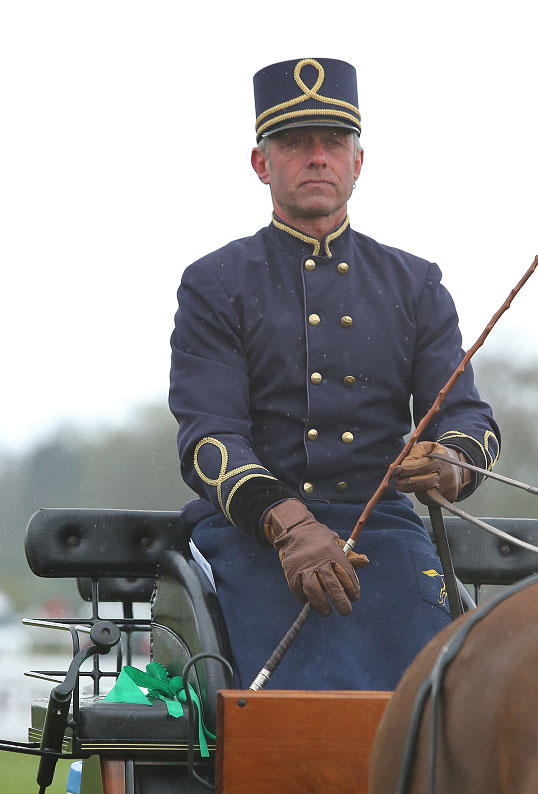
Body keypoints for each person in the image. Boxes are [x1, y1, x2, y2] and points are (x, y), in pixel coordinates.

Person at [169, 57, 500, 690]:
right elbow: (207, 438)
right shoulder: (214, 284)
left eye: (333, 143)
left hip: (388, 533)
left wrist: (451, 461)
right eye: (294, 144)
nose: (316, 157)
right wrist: (290, 526)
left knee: (445, 703)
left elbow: (468, 417)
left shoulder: (416, 283)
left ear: (358, 162)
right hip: (254, 537)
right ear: (261, 165)